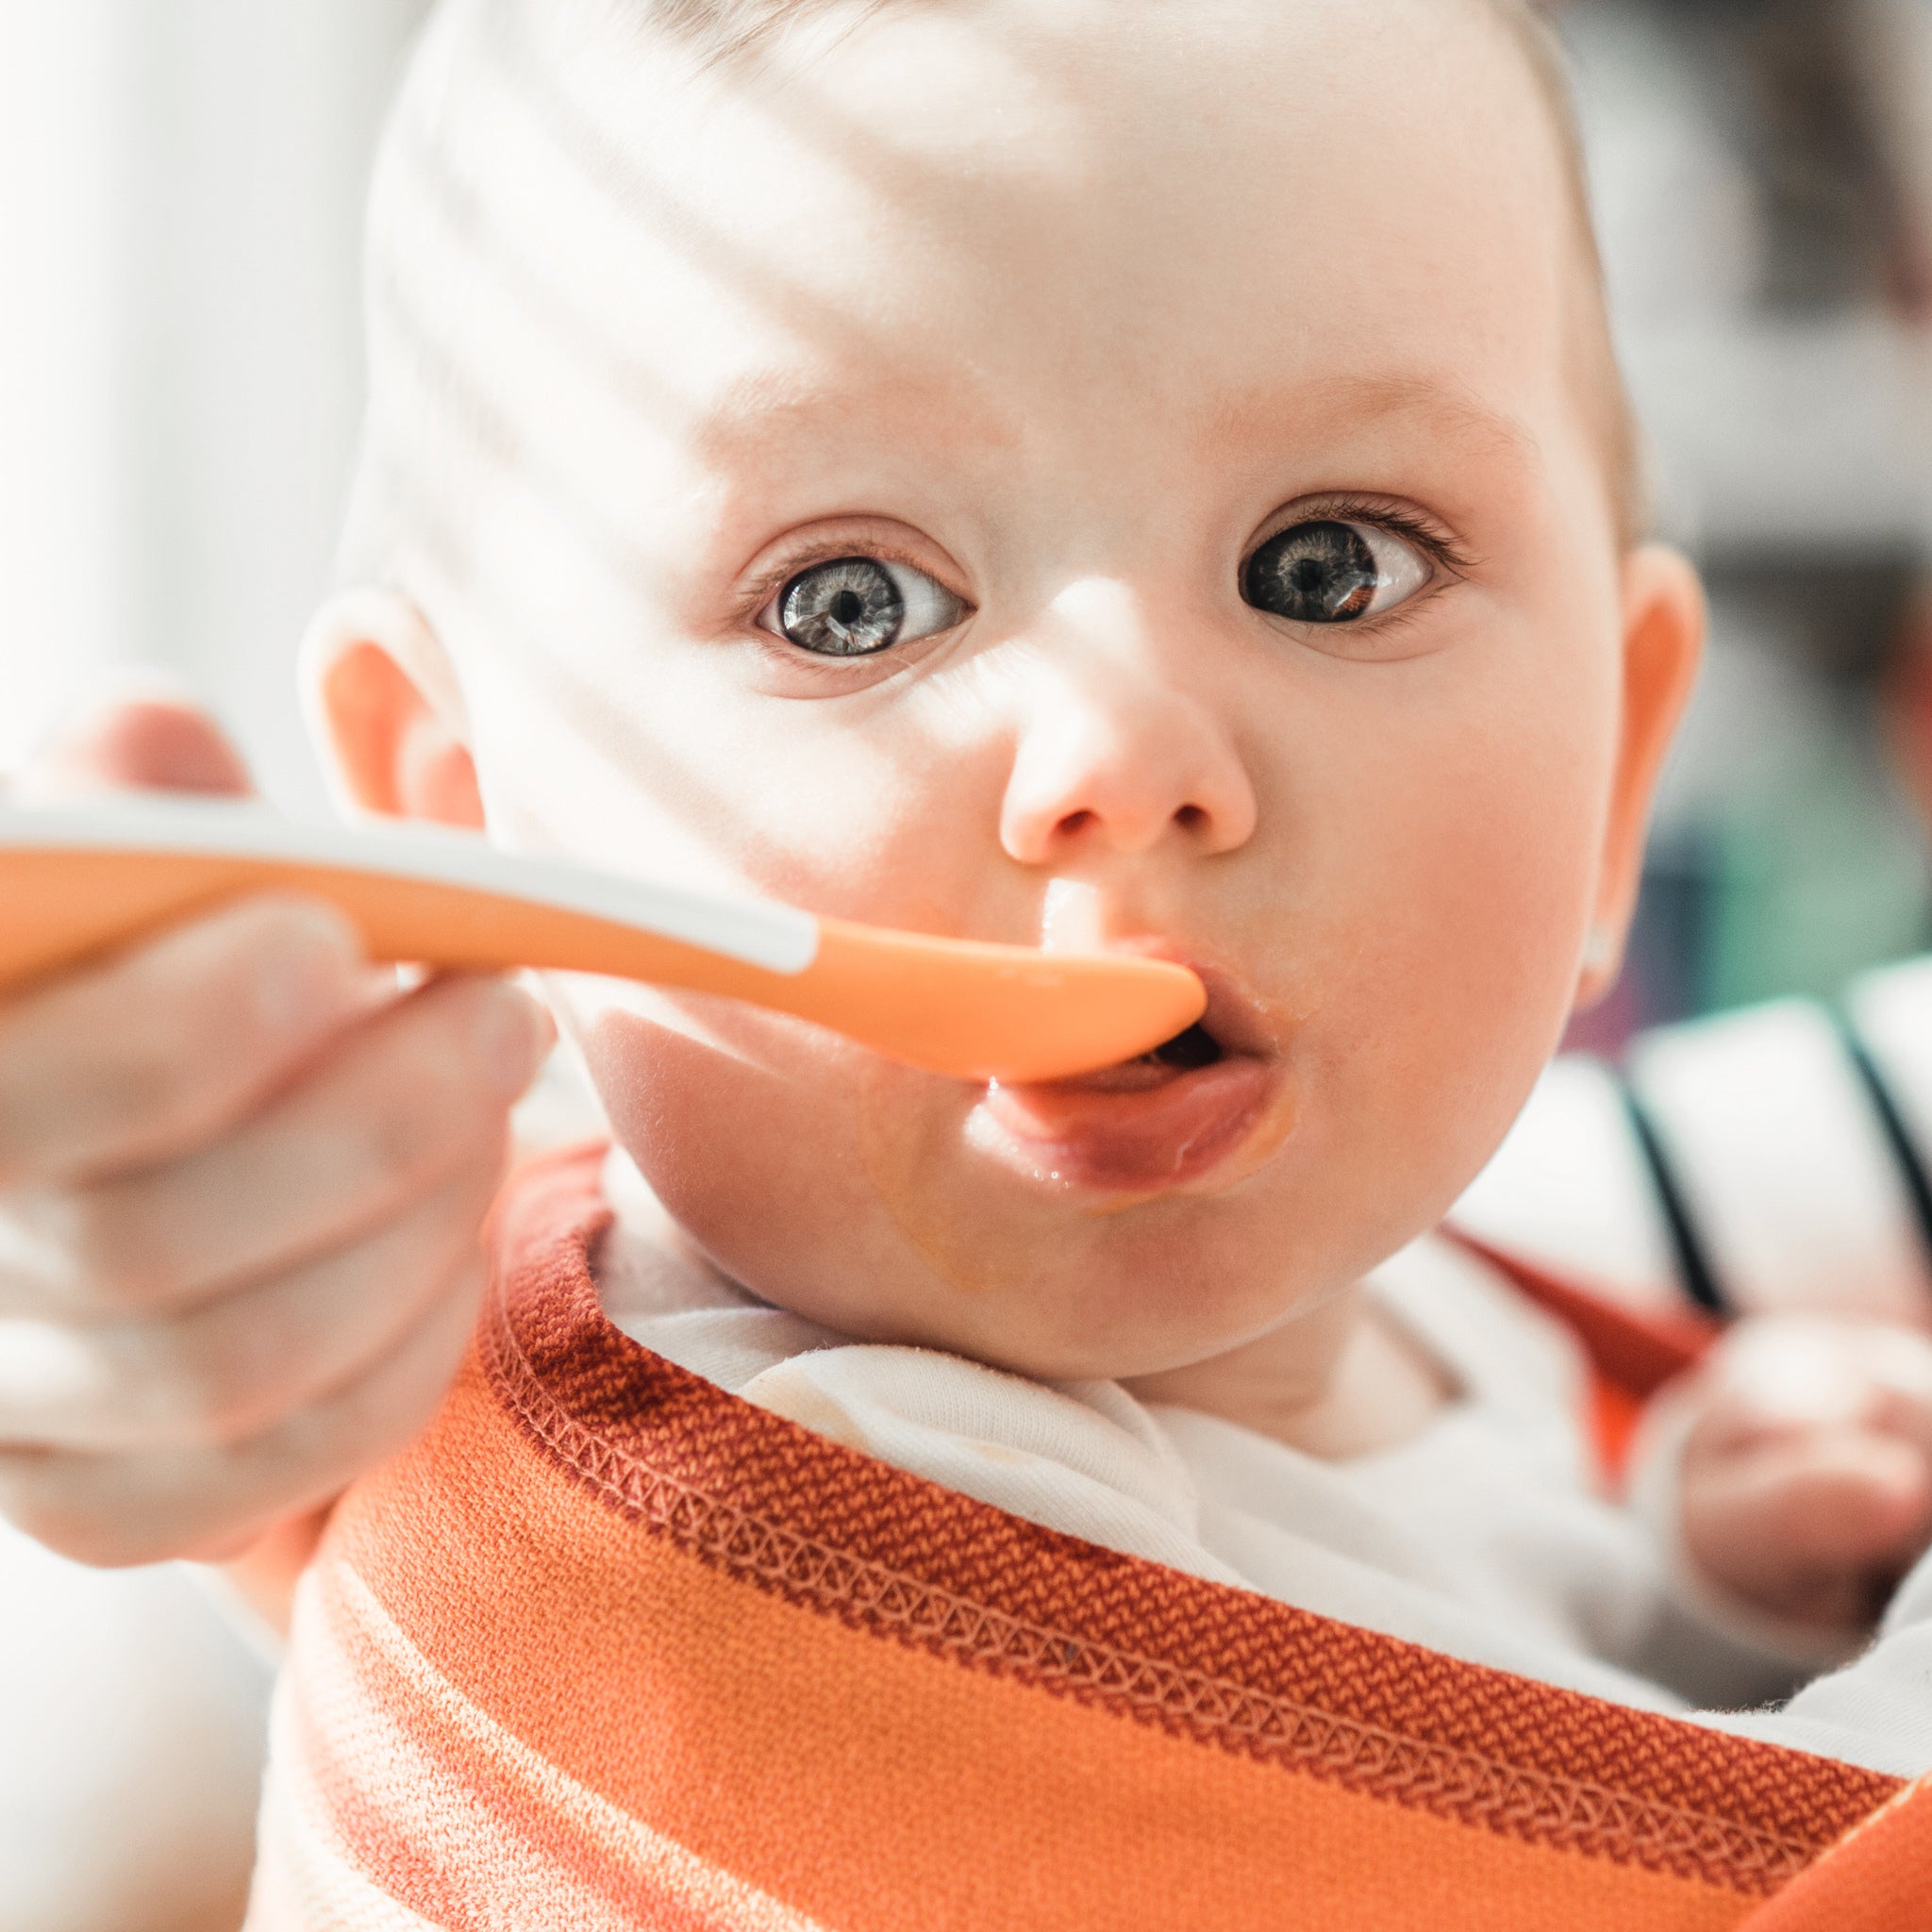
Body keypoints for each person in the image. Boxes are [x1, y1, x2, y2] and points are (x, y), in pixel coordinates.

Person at [7, 0, 1932, 1915]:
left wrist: (1680, 1587)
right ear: (459, 814)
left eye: (1327, 564)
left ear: (1614, 773)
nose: (1124, 753)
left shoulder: (1443, 1316)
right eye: (850, 605)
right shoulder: (779, 1534)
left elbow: (1465, 1685)